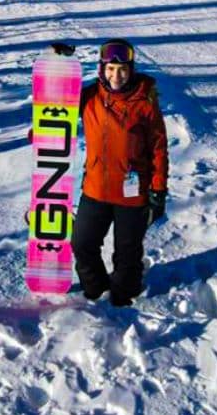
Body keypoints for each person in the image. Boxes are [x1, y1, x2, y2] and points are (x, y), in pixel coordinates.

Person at [72, 39, 169, 306]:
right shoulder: (89, 96)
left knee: (127, 252)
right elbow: (58, 111)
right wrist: (58, 62)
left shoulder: (145, 101)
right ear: (102, 69)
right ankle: (95, 290)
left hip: (132, 193)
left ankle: (124, 297)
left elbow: (159, 148)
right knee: (82, 243)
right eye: (111, 69)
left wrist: (158, 191)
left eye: (123, 69)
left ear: (131, 70)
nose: (117, 75)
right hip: (95, 189)